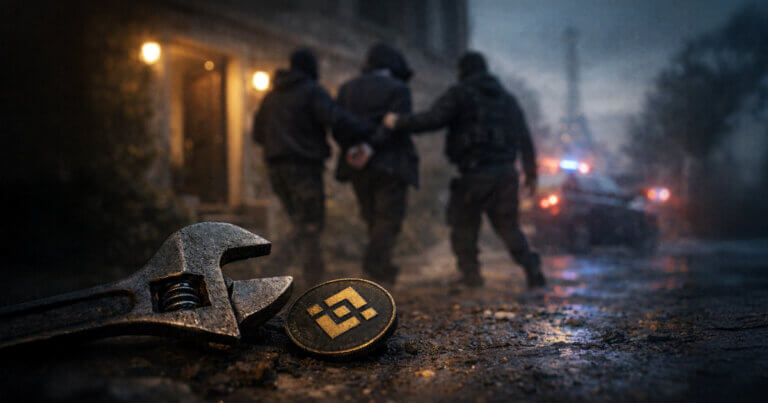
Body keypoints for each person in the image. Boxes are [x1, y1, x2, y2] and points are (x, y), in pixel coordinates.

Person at [382, 51, 546, 289]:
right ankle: (531, 268)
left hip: (473, 174)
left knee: (463, 225)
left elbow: (433, 119)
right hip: (505, 174)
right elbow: (524, 137)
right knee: (509, 227)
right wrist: (531, 173)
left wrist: (398, 123)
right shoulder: (507, 99)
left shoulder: (460, 94)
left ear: (462, 70)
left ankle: (470, 275)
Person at [253, 48, 373, 286]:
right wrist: (367, 130)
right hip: (304, 168)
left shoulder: (271, 96)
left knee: (304, 225)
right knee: (308, 224)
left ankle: (313, 279)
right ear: (311, 67)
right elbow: (335, 117)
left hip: (277, 170)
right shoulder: (311, 91)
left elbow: (257, 134)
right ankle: (270, 271)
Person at [334, 43, 417, 287]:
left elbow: (338, 123)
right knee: (388, 219)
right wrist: (371, 147)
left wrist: (353, 148)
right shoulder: (400, 89)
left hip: (358, 164)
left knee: (372, 216)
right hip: (390, 164)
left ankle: (382, 268)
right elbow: (397, 125)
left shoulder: (347, 88)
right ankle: (375, 266)